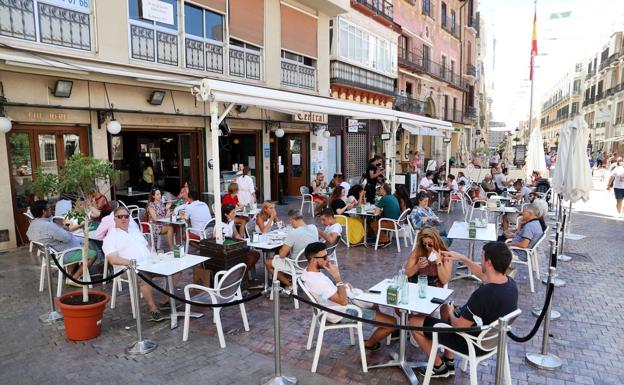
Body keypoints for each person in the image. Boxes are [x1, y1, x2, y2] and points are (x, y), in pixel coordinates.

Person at [409, 242, 518, 378]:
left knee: (414, 321)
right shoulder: (510, 284)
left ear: (489, 263)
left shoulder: (483, 294)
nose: (480, 259)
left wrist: (450, 312)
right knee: (452, 310)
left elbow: (458, 325)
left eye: (482, 256)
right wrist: (463, 258)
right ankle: (449, 362)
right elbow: (482, 274)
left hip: (471, 343)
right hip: (492, 340)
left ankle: (438, 367)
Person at [300, 242, 396, 351]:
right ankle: (369, 344)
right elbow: (343, 301)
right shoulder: (316, 281)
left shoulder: (309, 273)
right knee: (392, 323)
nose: (328, 260)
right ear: (313, 259)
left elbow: (322, 296)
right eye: (324, 257)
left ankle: (377, 322)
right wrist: (337, 277)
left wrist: (340, 289)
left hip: (337, 305)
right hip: (341, 312)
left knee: (373, 300)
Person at [102, 206, 168, 322]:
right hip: (129, 268)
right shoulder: (110, 237)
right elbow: (113, 259)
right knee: (143, 276)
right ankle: (153, 308)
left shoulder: (134, 230)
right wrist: (133, 263)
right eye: (120, 217)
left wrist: (155, 255)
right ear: (114, 219)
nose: (123, 219)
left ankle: (165, 300)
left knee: (174, 269)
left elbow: (146, 246)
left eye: (126, 216)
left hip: (150, 263)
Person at [27, 200, 97, 286]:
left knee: (75, 245)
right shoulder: (48, 226)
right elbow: (66, 238)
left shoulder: (32, 225)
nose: (51, 210)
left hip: (50, 255)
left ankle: (70, 276)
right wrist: (65, 230)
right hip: (62, 255)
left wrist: (61, 230)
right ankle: (75, 278)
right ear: (43, 211)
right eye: (49, 208)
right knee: (92, 254)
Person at [266, 210, 318, 287]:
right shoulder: (313, 227)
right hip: (311, 261)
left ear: (292, 219)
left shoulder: (294, 233)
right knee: (287, 254)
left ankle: (291, 284)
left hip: (296, 265)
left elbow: (281, 255)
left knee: (268, 262)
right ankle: (288, 279)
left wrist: (285, 243)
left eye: (290, 221)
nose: (290, 223)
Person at [221, 204, 259, 272]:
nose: (235, 214)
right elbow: (222, 242)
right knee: (252, 256)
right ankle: (242, 274)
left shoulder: (230, 221)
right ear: (226, 215)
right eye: (232, 213)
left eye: (234, 212)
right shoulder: (220, 226)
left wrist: (242, 241)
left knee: (256, 254)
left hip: (233, 246)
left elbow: (236, 234)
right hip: (226, 250)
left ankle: (242, 273)